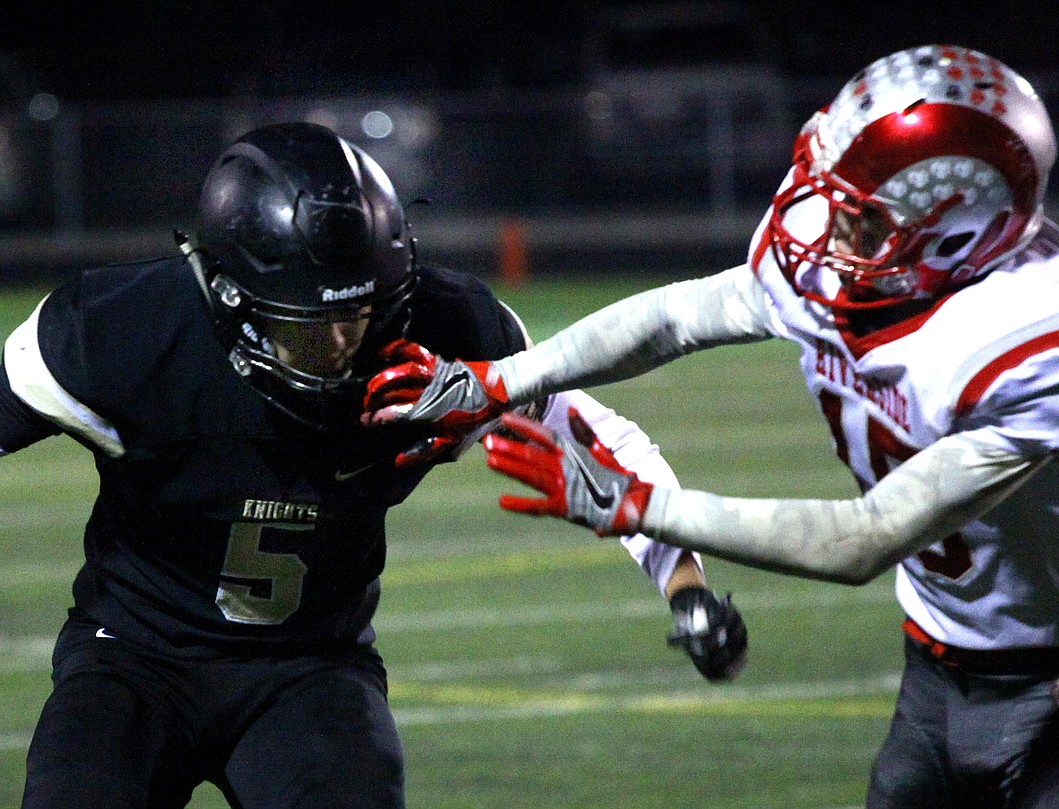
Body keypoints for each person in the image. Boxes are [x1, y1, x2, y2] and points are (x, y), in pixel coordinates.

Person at [362, 45, 1059, 808]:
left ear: (959, 234)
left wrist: (639, 506)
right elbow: (677, 316)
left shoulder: (1049, 340)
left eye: (860, 216)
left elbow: (867, 537)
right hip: (939, 652)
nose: (818, 227)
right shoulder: (843, 253)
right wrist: (497, 379)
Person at [2, 121, 746, 809]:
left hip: (310, 666)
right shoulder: (121, 331)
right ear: (232, 302)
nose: (344, 347)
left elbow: (597, 438)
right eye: (311, 327)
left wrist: (684, 585)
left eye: (361, 314)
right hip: (134, 655)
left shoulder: (442, 329)